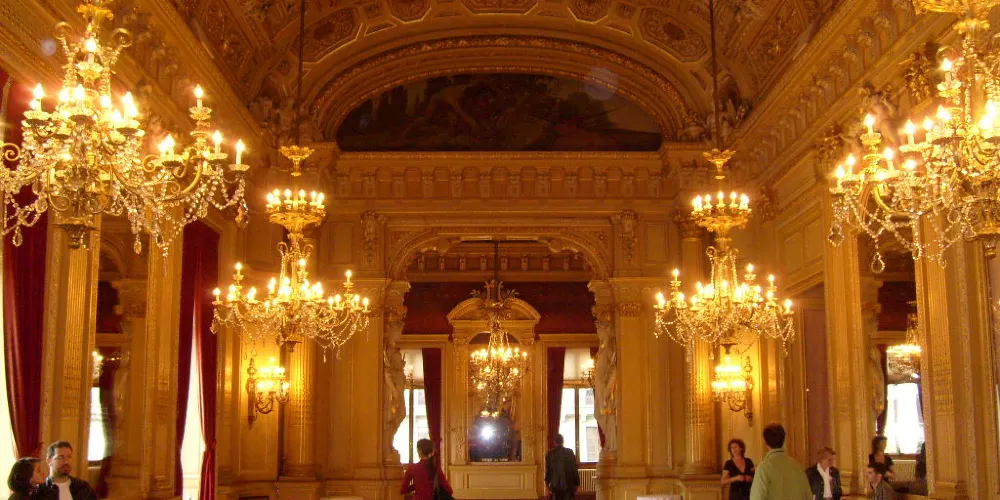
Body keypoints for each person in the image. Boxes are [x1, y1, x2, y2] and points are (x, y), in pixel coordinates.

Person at [749, 423, 811, 500]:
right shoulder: (797, 465)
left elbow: (757, 497)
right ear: (784, 440)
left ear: (764, 441)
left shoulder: (763, 468)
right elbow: (808, 496)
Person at [545, 434, 580, 500]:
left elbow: (548, 471)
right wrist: (577, 483)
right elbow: (574, 469)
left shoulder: (549, 454)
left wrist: (547, 486)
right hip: (568, 484)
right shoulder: (570, 452)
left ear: (554, 442)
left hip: (555, 485)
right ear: (563, 441)